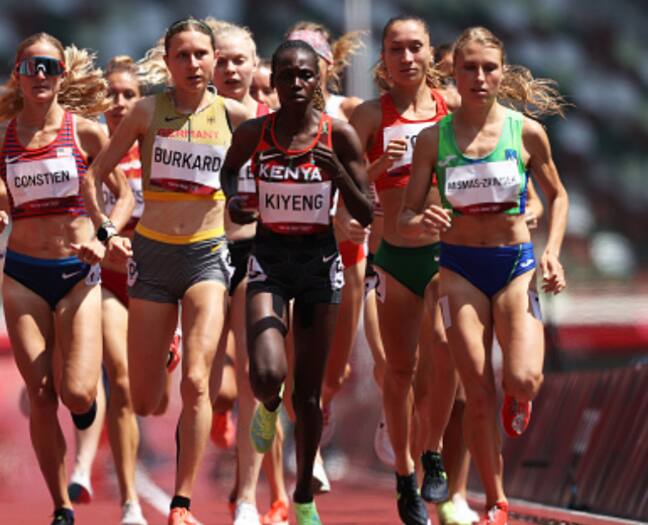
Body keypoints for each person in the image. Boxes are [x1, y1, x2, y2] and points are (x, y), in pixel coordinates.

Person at [81, 17, 253, 525]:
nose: (196, 64)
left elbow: (279, 169)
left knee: (198, 385)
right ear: (169, 61)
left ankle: (181, 502)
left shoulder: (239, 116)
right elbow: (94, 176)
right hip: (151, 258)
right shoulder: (145, 112)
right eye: (185, 55)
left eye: (204, 55)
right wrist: (107, 233)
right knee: (148, 398)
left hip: (206, 257)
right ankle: (167, 347)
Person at [400, 26, 568, 525]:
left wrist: (553, 252)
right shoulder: (435, 138)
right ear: (453, 72)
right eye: (468, 67)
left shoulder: (525, 131)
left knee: (524, 379)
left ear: (502, 72)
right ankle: (495, 499)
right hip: (458, 271)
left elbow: (557, 196)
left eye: (488, 67)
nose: (478, 77)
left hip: (515, 267)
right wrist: (423, 218)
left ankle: (520, 397)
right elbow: (405, 214)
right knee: (475, 393)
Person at [0, 32, 134, 525]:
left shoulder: (87, 134)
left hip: (78, 273)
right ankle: (61, 505)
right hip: (23, 276)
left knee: (78, 392)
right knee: (40, 393)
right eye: (31, 67)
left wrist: (103, 236)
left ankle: (84, 411)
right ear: (17, 74)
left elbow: (122, 197)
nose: (40, 76)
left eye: (49, 67)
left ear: (62, 75)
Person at [222, 39, 372, 525]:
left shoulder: (339, 136)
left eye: (306, 75)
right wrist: (238, 204)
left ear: (318, 80)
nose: (297, 84)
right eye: (287, 75)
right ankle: (267, 407)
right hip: (268, 259)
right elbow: (228, 177)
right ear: (276, 81)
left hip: (319, 263)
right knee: (265, 373)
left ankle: (303, 494)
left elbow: (367, 210)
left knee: (307, 395)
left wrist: (339, 179)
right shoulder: (253, 133)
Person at [349, 15, 457, 524]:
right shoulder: (371, 116)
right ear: (385, 58)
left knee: (446, 348)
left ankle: (432, 450)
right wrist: (375, 166)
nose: (407, 57)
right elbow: (341, 190)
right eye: (397, 48)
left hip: (445, 256)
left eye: (416, 47)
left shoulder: (452, 109)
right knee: (399, 371)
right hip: (393, 257)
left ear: (431, 53)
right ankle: (404, 475)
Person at [204, 18, 290, 525]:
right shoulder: (189, 118)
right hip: (204, 253)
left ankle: (250, 499)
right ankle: (218, 407)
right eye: (222, 59)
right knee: (218, 386)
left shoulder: (276, 122)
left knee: (264, 379)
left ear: (255, 65)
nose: (231, 68)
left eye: (240, 59)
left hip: (262, 254)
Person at [64, 55, 150, 525]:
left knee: (147, 394)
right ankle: (130, 501)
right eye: (109, 96)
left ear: (141, 102)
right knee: (116, 379)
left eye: (127, 96)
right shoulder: (87, 146)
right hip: (106, 279)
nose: (117, 104)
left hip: (156, 278)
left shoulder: (158, 145)